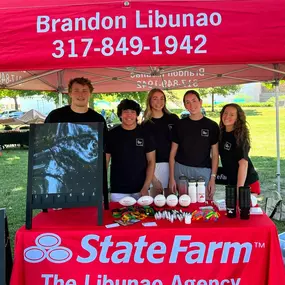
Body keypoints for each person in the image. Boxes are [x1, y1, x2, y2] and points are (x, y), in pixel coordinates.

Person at [44, 77, 109, 206]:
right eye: (77, 90)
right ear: (69, 93)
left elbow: (104, 150)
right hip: (60, 182)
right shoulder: (55, 116)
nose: (81, 94)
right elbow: (44, 145)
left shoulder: (98, 119)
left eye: (85, 90)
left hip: (89, 183)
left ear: (90, 93)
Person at [169, 90, 219, 200]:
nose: (192, 105)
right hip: (181, 169)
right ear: (185, 105)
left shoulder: (212, 126)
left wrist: (213, 179)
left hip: (203, 170)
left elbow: (215, 154)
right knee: (184, 203)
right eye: (187, 102)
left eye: (194, 100)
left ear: (200, 102)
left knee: (204, 203)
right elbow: (173, 152)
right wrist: (171, 178)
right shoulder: (180, 125)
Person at [106, 99, 156, 202]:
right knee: (118, 217)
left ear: (137, 115)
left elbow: (151, 162)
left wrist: (146, 187)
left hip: (141, 189)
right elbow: (105, 162)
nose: (129, 115)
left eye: (133, 112)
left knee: (142, 217)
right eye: (126, 112)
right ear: (120, 114)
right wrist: (102, 186)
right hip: (118, 190)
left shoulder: (145, 133)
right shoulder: (111, 134)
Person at [142, 88, 179, 196]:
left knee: (171, 202)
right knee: (156, 202)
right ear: (149, 101)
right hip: (154, 167)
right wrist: (153, 178)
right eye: (155, 98)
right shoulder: (145, 124)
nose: (159, 102)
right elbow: (144, 153)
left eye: (162, 98)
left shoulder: (173, 119)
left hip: (173, 165)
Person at [218, 103, 260, 194]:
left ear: (237, 118)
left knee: (244, 207)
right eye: (225, 113)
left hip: (247, 183)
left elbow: (243, 164)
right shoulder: (221, 133)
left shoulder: (240, 137)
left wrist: (239, 190)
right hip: (232, 180)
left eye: (232, 115)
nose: (227, 116)